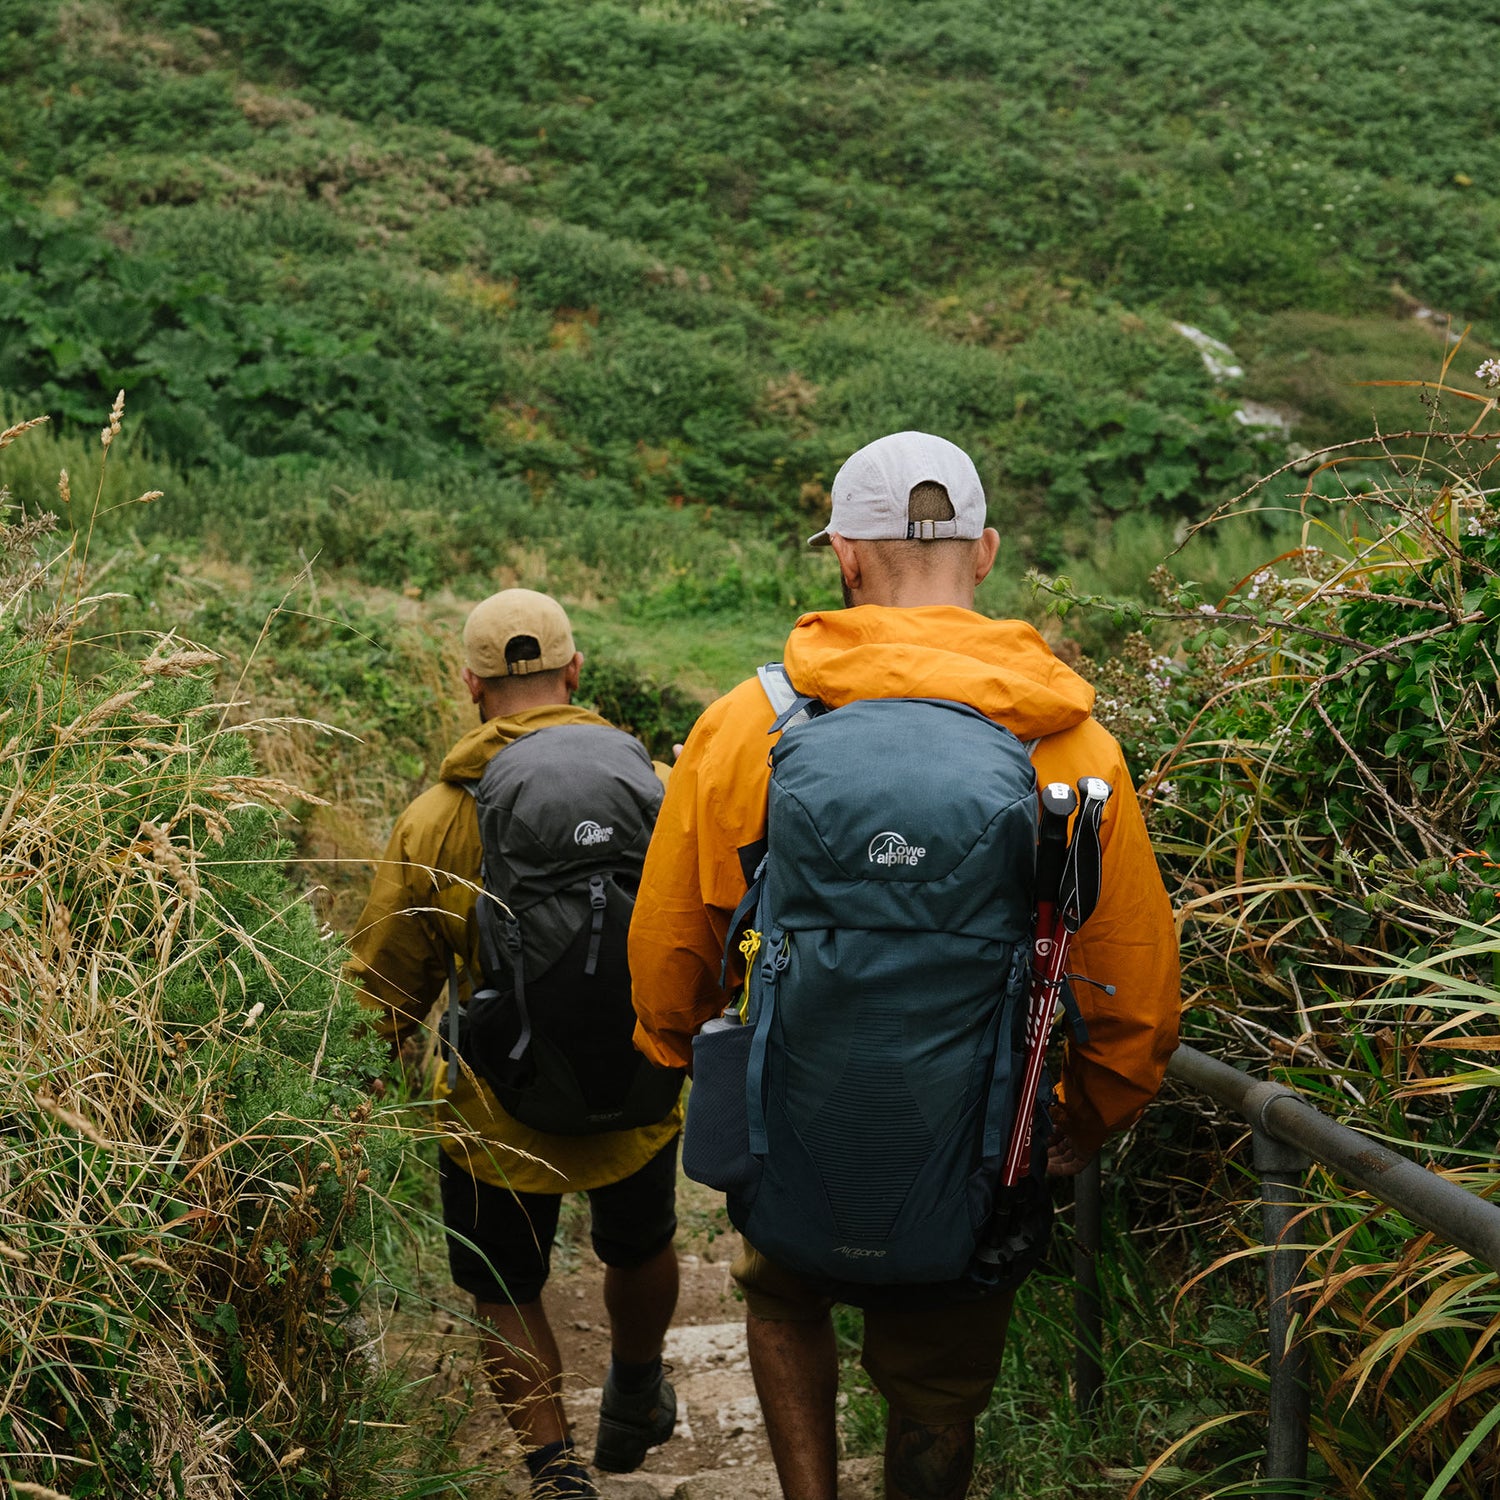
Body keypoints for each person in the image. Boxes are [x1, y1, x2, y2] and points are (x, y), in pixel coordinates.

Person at [628, 432, 1181, 1500]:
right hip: (977, 1136)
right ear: (984, 554)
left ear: (843, 556)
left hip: (795, 1108)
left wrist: (679, 1047)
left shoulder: (751, 724)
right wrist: (1084, 1113)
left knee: (783, 1298)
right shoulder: (1066, 741)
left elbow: (670, 943)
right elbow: (1131, 984)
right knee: (938, 1382)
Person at [350, 589, 681, 1500]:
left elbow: (384, 981)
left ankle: (554, 1467)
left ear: (472, 686)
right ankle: (637, 1386)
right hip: (639, 1089)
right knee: (641, 1241)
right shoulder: (653, 786)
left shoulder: (436, 820)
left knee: (505, 1283)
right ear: (577, 674)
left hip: (498, 1108)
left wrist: (364, 1090)